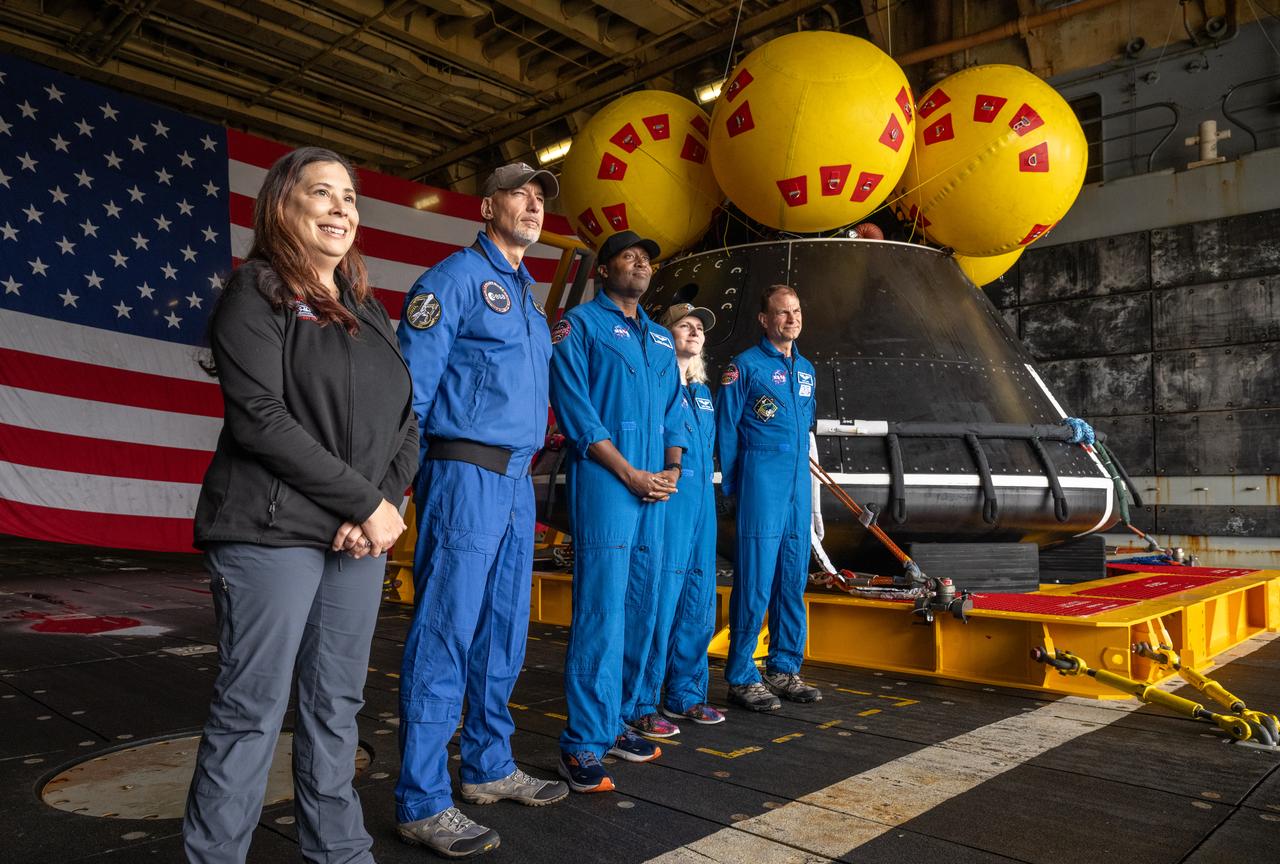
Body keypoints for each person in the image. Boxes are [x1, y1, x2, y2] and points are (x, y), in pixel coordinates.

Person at [185, 147, 417, 864]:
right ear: (282, 205)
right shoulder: (256, 290)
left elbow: (407, 421)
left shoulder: (368, 308)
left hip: (354, 538)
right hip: (270, 530)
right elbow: (259, 418)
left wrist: (379, 506)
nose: (341, 207)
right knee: (251, 710)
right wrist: (365, 503)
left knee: (335, 707)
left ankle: (340, 853)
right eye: (322, 192)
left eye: (349, 196)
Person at [394, 162, 568, 857]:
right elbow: (411, 393)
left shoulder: (528, 298)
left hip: (517, 483)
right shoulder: (453, 281)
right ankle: (421, 799)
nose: (533, 205)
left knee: (503, 632)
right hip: (464, 474)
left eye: (540, 198)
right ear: (487, 206)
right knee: (446, 631)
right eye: (519, 194)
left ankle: (489, 765)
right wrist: (395, 486)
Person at [550, 230, 687, 793]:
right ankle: (581, 743)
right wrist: (629, 472)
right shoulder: (579, 326)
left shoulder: (659, 338)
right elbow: (576, 410)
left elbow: (675, 409)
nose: (640, 263)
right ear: (603, 270)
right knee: (602, 610)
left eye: (647, 258)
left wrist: (673, 467)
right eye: (628, 256)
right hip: (608, 481)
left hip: (654, 486)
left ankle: (615, 722)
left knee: (640, 606)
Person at [715, 284, 823, 712]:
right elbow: (726, 429)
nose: (792, 319)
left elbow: (805, 426)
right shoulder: (744, 367)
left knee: (792, 578)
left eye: (796, 311)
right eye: (782, 312)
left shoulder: (806, 369)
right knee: (755, 580)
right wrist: (732, 487)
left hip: (797, 484)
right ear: (764, 320)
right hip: (761, 481)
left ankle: (783, 668)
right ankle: (742, 675)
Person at [628, 303, 726, 732]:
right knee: (660, 600)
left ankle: (684, 693)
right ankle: (642, 701)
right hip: (668, 504)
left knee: (699, 600)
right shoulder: (656, 385)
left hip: (702, 506)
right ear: (664, 336)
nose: (695, 332)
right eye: (685, 325)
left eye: (699, 327)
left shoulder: (702, 393)